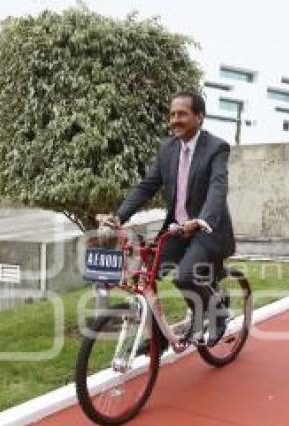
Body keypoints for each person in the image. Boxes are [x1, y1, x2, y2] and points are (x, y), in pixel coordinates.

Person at [101, 91, 235, 350]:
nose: (175, 120)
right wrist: (119, 216)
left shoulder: (216, 148)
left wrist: (202, 220)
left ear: (199, 117)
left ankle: (217, 314)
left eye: (182, 114)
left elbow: (218, 188)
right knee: (145, 278)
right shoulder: (168, 149)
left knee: (184, 276)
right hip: (176, 231)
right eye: (172, 114)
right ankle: (159, 338)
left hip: (206, 230)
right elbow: (146, 187)